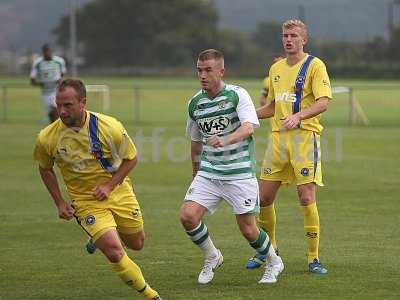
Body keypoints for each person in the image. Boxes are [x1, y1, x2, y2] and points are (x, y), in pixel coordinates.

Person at [33, 79, 161, 300]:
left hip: (118, 192)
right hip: (85, 201)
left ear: (83, 102)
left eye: (68, 105)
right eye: (58, 104)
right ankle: (151, 295)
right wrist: (60, 202)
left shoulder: (109, 127)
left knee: (136, 244)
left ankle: (97, 237)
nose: (61, 111)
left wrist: (110, 185)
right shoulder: (47, 137)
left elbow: (131, 158)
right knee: (113, 249)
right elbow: (45, 169)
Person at [180, 49, 284, 285]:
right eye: (199, 70)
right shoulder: (195, 104)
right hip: (209, 173)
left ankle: (273, 261)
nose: (203, 75)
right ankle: (212, 256)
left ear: (221, 71)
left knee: (248, 230)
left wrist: (224, 140)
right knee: (187, 216)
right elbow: (196, 144)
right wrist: (195, 175)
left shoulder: (238, 95)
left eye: (208, 70)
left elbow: (249, 127)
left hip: (238, 173)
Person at [246, 19, 331, 275]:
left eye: (293, 35)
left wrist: (299, 116)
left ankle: (313, 258)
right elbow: (272, 106)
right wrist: (245, 116)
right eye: (285, 35)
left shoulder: (315, 66)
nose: (288, 39)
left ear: (304, 39)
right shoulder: (276, 69)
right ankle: (269, 252)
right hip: (278, 141)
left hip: (305, 139)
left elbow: (324, 102)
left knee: (306, 196)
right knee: (264, 198)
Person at [30, 44, 66, 123]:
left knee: (56, 110)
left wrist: (59, 80)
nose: (48, 53)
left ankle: (59, 130)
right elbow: (32, 80)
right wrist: (41, 83)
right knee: (51, 115)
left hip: (57, 91)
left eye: (49, 51)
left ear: (52, 51)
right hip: (46, 93)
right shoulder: (38, 63)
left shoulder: (59, 61)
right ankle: (53, 131)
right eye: (46, 51)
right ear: (43, 52)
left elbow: (62, 74)